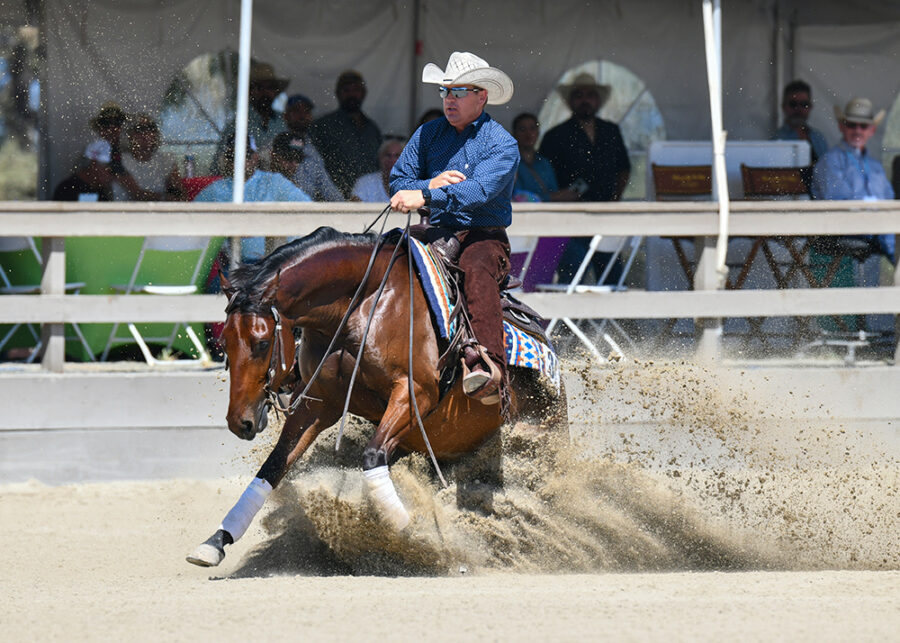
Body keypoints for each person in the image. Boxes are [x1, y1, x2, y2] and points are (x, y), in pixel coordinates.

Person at [389, 51, 518, 405]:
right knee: (385, 256)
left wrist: (429, 196)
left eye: (459, 92)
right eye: (446, 92)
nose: (449, 99)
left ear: (482, 96)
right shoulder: (428, 134)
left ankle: (490, 367)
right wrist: (431, 184)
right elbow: (399, 179)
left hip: (483, 234)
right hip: (436, 229)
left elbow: (479, 192)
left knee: (477, 269)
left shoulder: (501, 143)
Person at [811, 97, 894, 330]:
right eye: (852, 125)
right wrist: (870, 205)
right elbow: (835, 200)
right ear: (842, 126)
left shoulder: (875, 166)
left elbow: (888, 201)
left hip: (877, 232)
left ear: (872, 130)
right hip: (842, 231)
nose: (857, 130)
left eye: (863, 126)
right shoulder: (830, 161)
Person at [539, 72, 631, 282]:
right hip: (570, 218)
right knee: (572, 275)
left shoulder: (611, 131)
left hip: (606, 215)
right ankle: (568, 316)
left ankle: (613, 316)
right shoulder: (555, 135)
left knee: (611, 276)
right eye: (579, 95)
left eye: (590, 94)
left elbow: (624, 169)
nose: (585, 100)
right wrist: (557, 196)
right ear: (570, 101)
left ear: (598, 100)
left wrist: (615, 199)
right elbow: (541, 176)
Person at [194, 135, 311, 262]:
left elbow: (308, 210)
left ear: (255, 157)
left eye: (246, 155)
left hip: (276, 263)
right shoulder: (215, 190)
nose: (239, 161)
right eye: (232, 156)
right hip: (234, 264)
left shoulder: (274, 181)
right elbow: (189, 221)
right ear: (226, 160)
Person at [310, 70, 382, 199]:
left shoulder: (372, 128)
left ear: (363, 93)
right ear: (338, 94)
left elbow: (379, 164)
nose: (352, 94)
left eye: (356, 90)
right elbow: (314, 164)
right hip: (334, 198)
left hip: (367, 199)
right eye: (346, 90)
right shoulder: (323, 125)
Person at [217, 60, 289, 172]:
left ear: (276, 91)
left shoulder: (283, 121)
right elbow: (221, 165)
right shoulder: (237, 124)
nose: (266, 92)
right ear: (250, 91)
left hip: (279, 185)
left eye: (270, 87)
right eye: (260, 87)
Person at [279, 94, 343, 201]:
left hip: (306, 209)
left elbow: (326, 186)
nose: (302, 115)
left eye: (306, 111)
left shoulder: (312, 149)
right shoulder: (277, 142)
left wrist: (345, 204)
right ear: (285, 116)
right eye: (296, 111)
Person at [112, 113, 185, 201]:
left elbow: (180, 194)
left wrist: (173, 197)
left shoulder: (166, 160)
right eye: (140, 129)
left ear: (156, 134)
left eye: (151, 128)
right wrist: (165, 198)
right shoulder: (119, 160)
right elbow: (137, 194)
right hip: (123, 212)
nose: (146, 133)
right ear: (130, 135)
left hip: (155, 212)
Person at [511, 112, 578, 202]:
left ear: (538, 133)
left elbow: (554, 190)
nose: (528, 133)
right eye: (522, 129)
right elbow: (517, 197)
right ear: (514, 134)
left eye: (532, 128)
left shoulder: (544, 162)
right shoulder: (510, 163)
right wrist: (550, 197)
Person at [773, 79, 829, 164]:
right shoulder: (777, 140)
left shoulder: (819, 137)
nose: (798, 109)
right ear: (784, 107)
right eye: (793, 104)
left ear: (810, 107)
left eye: (804, 104)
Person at [351, 136, 406, 202]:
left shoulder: (413, 185)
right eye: (388, 155)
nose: (392, 160)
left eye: (397, 156)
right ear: (380, 158)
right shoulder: (365, 182)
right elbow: (354, 208)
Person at [89, 101, 127, 177]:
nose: (112, 127)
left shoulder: (127, 150)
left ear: (122, 126)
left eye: (117, 122)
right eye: (106, 123)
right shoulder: (92, 152)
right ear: (100, 128)